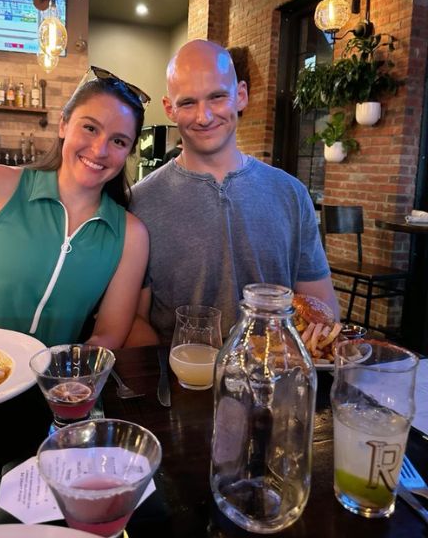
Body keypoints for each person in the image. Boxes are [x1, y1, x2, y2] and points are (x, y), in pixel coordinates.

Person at [0, 68, 150, 349]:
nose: (100, 150)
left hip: (49, 375)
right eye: (90, 128)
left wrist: (71, 369)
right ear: (63, 125)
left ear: (129, 152)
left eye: (118, 141)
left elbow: (108, 334)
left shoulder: (131, 235)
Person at [127, 39, 339, 345]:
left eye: (217, 97)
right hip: (182, 371)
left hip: (274, 369)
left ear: (240, 95)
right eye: (188, 103)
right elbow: (133, 321)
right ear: (169, 108)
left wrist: (316, 338)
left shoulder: (292, 194)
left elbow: (322, 307)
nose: (204, 116)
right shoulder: (139, 203)